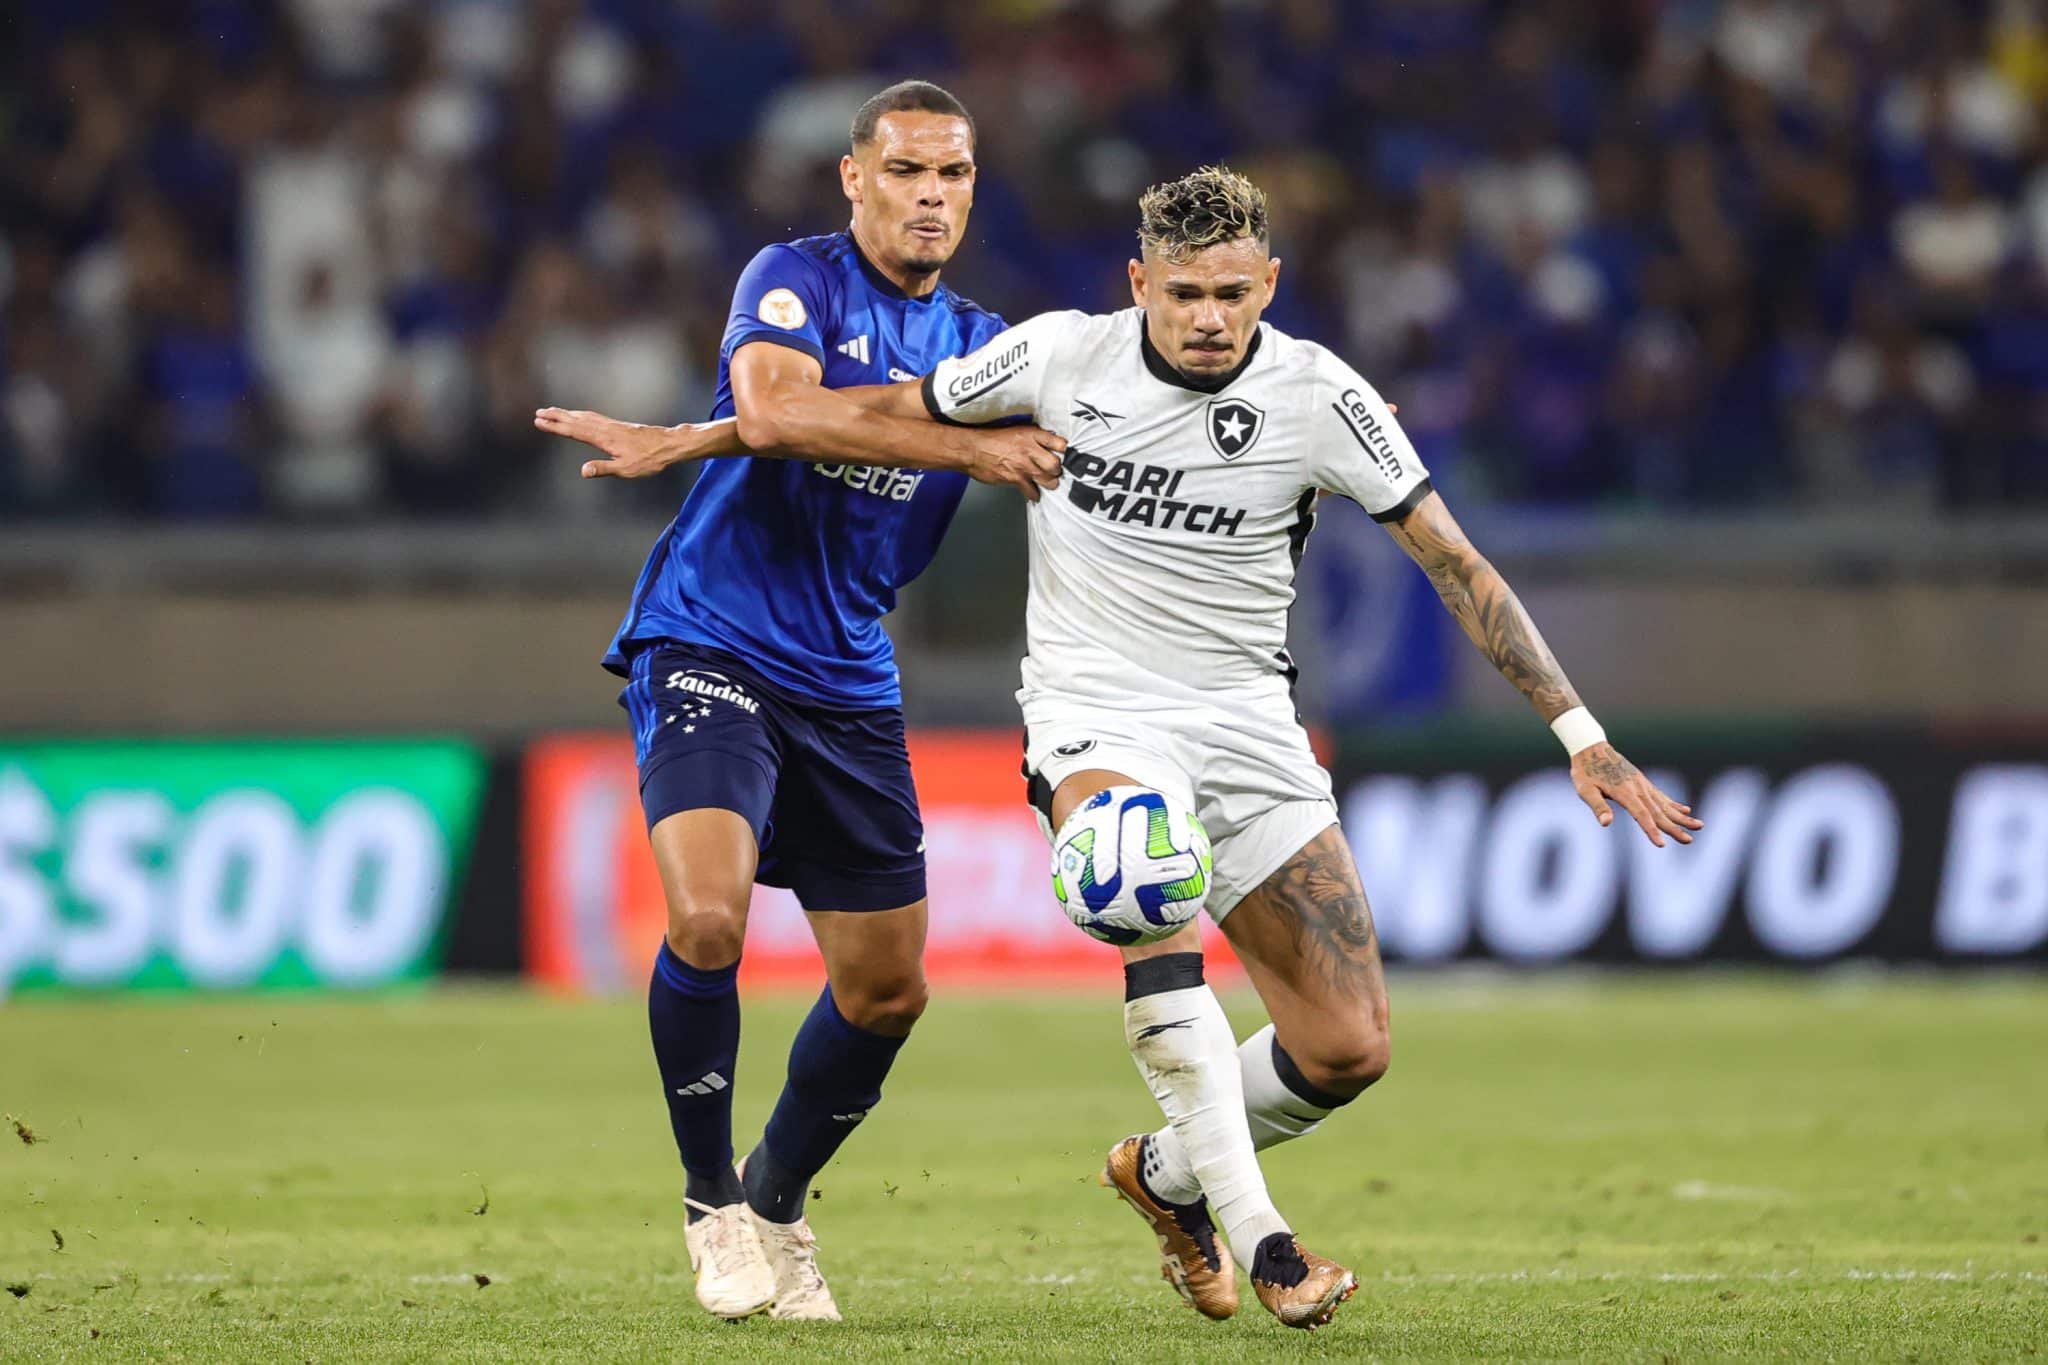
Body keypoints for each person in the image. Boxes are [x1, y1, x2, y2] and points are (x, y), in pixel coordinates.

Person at [547, 165, 1700, 1331]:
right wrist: (700, 439)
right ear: (1138, 281)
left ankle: (1162, 1175)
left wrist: (1579, 733)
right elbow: (888, 411)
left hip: (1249, 725)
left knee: (1346, 1047)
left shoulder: (1321, 397)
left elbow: (1455, 563)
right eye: (1186, 292)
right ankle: (1270, 1246)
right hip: (1095, 715)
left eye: (1234, 294)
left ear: (1270, 286)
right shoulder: (1057, 359)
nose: (1209, 317)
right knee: (1143, 878)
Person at [534, 80, 1063, 1324]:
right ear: (854, 178)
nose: (930, 196)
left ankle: (777, 1201)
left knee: (888, 991)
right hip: (708, 635)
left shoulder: (987, 346)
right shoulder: (796, 277)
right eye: (906, 172)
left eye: (953, 175)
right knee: (708, 919)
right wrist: (968, 447)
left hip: (846, 671)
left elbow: (1117, 414)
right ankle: (711, 1204)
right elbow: (774, 410)